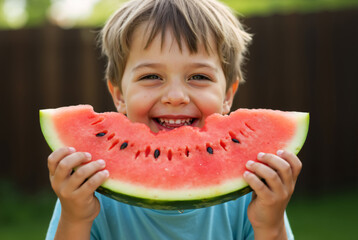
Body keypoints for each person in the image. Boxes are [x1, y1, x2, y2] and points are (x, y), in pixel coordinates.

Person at [46, 0, 302, 239]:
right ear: (119, 95)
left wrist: (270, 224)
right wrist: (76, 218)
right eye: (151, 76)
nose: (176, 97)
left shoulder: (251, 189)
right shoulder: (89, 189)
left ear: (227, 95)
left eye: (199, 77)